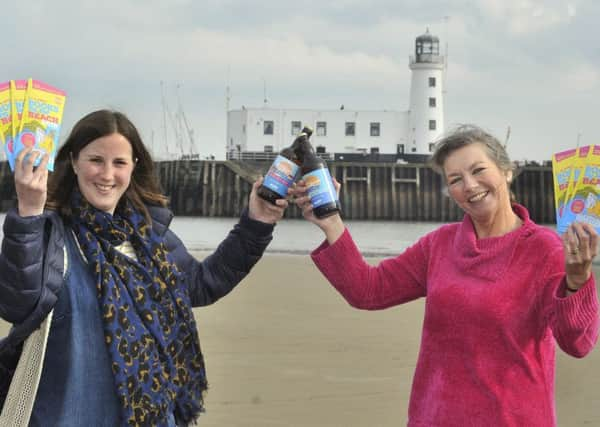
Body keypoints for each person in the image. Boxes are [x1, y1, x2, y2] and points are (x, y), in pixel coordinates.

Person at [290, 124, 600, 426]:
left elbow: (578, 344)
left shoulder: (544, 250)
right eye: (456, 179)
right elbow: (368, 290)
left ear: (507, 170)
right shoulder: (439, 245)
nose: (469, 185)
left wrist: (577, 279)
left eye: (478, 170)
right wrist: (331, 222)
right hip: (433, 417)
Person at [0, 109, 288, 426]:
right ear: (74, 160)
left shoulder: (147, 238)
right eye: (96, 160)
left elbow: (202, 284)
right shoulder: (49, 232)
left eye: (119, 162)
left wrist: (257, 222)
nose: (107, 174)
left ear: (134, 167)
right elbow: (16, 304)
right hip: (63, 413)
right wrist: (27, 212)